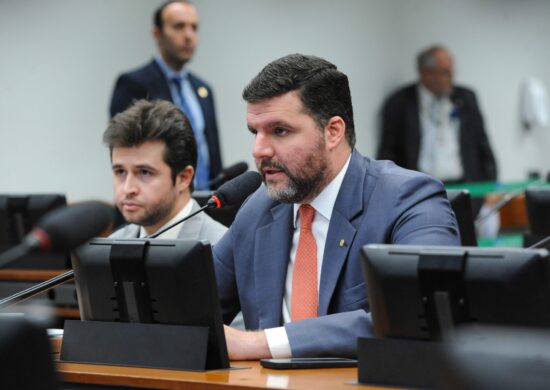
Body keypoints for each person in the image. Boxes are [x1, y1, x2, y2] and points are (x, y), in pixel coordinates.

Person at [213, 54, 460, 360]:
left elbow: (420, 314)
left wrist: (260, 344)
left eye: (279, 131)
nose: (259, 150)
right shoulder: (259, 208)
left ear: (333, 132)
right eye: (255, 132)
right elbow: (194, 305)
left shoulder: (410, 198)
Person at [109, 0, 222, 190]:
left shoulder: (203, 89)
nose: (189, 35)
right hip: (159, 203)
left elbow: (213, 152)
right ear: (157, 34)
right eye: (179, 26)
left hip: (207, 200)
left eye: (194, 28)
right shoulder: (133, 84)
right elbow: (124, 152)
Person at [104, 99, 226, 243]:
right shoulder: (111, 245)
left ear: (183, 178)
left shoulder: (223, 250)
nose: (128, 188)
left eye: (144, 172)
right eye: (120, 172)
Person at [377, 45, 497, 184]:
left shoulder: (466, 98)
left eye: (451, 70)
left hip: (464, 185)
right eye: (445, 72)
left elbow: (482, 144)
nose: (452, 77)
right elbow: (388, 152)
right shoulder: (400, 102)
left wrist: (490, 184)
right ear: (426, 74)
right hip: (419, 187)